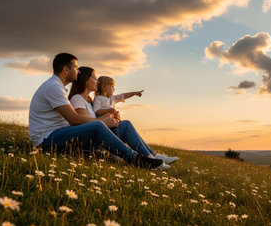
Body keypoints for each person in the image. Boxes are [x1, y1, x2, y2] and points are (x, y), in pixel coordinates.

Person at [28, 53, 167, 169]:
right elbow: (74, 119)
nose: (78, 71)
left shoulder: (58, 87)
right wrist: (102, 121)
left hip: (57, 135)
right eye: (75, 68)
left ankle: (148, 155)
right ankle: (136, 160)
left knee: (115, 124)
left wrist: (104, 119)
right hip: (46, 140)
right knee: (98, 125)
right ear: (66, 70)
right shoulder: (54, 87)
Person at [69, 67, 177, 165]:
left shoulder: (89, 100)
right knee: (125, 124)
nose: (97, 81)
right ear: (85, 80)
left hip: (101, 134)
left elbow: (117, 100)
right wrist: (106, 119)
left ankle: (152, 155)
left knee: (126, 124)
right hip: (93, 142)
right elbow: (84, 125)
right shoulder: (78, 98)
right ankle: (144, 157)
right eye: (94, 78)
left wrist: (111, 118)